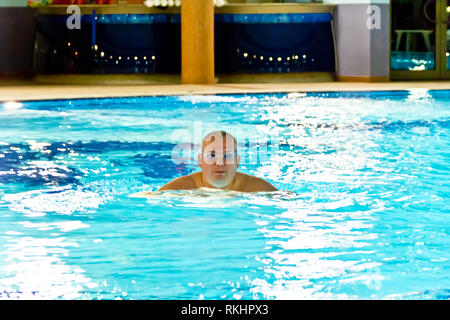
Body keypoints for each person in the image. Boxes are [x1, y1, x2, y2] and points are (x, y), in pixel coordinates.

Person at [138, 131, 277, 194]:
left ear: (237, 161)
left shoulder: (256, 189)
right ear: (200, 161)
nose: (220, 163)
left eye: (227, 156)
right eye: (212, 155)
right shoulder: (181, 188)